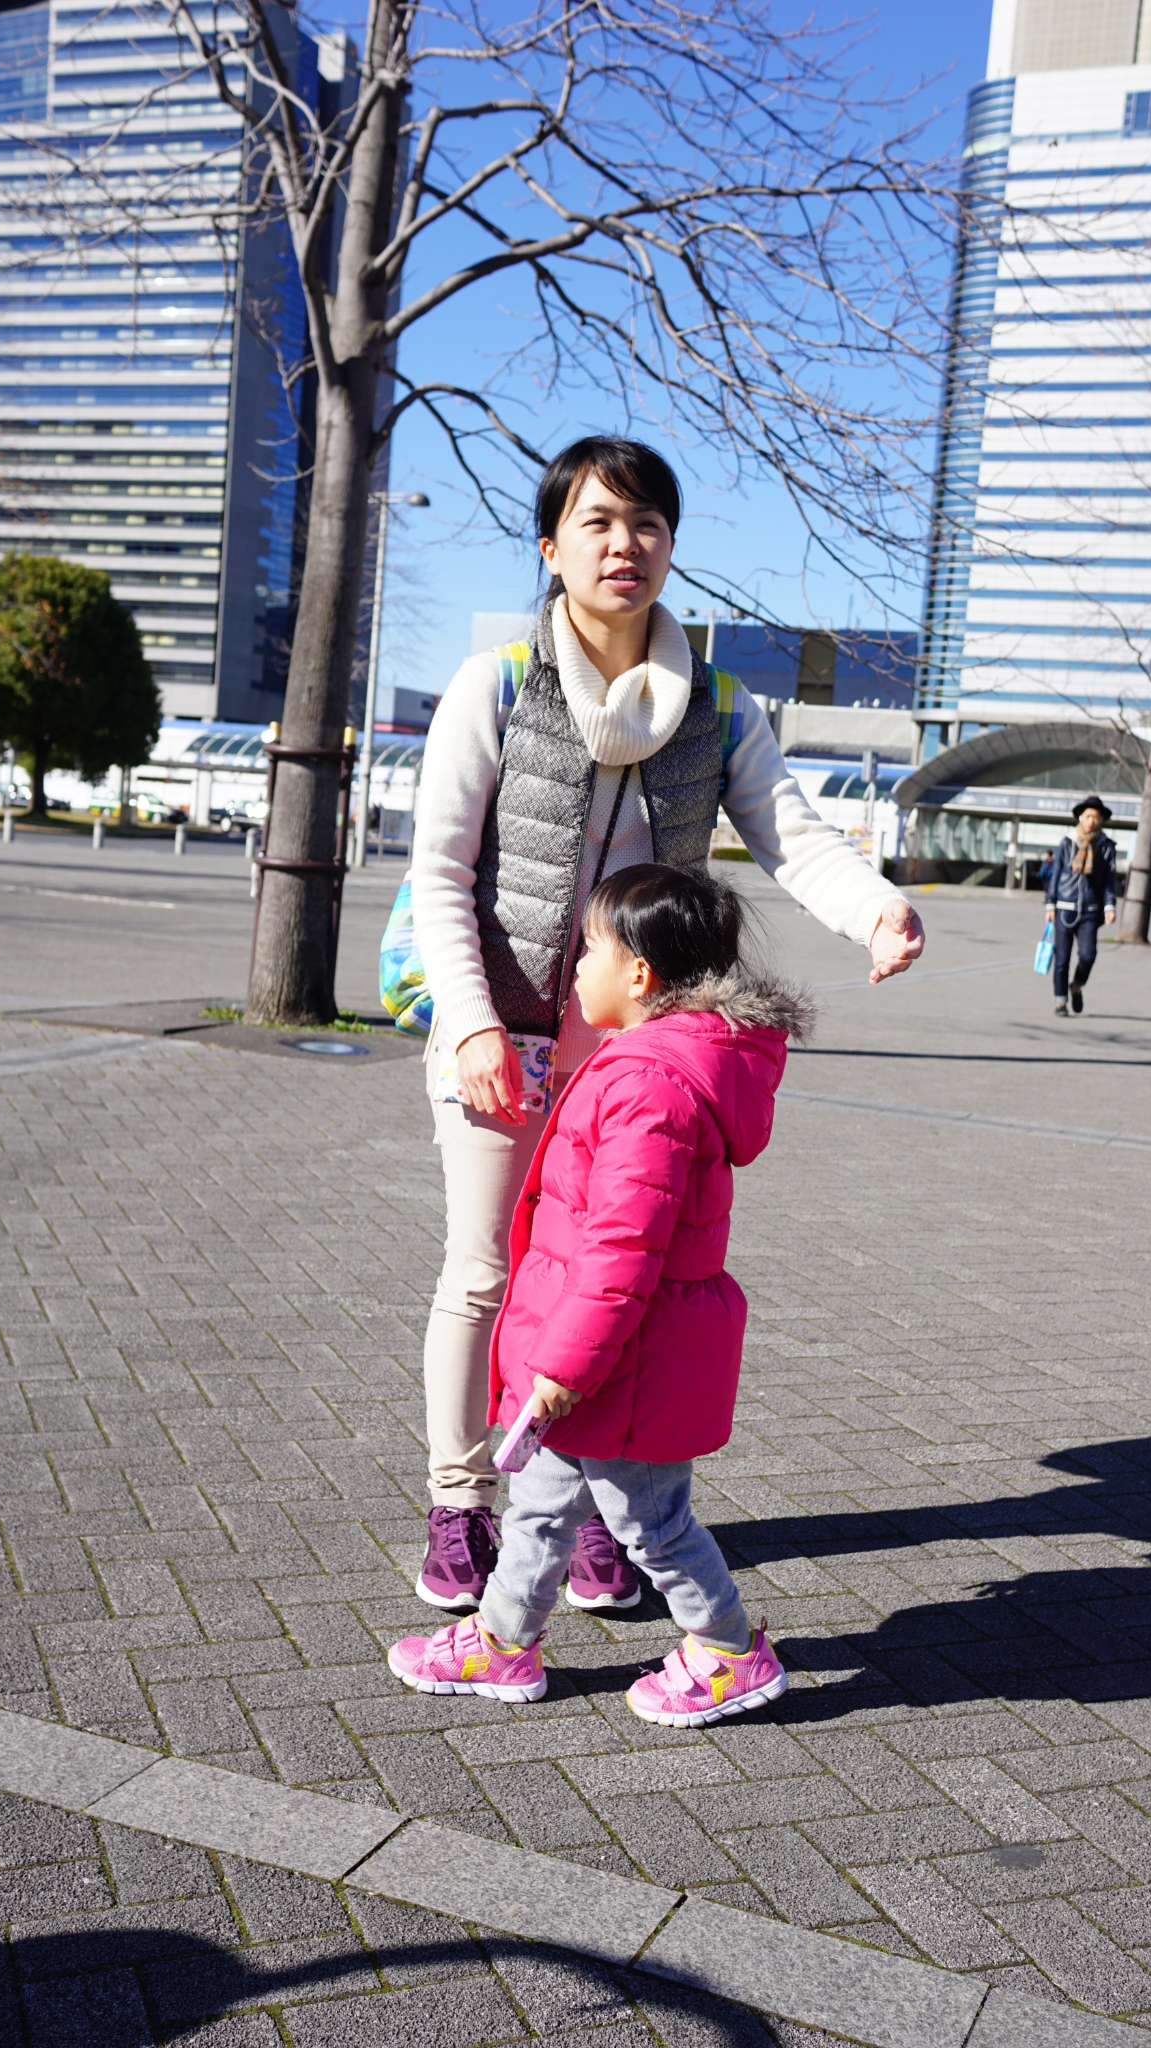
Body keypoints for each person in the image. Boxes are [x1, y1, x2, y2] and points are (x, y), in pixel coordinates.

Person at [409, 434, 924, 1613]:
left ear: (670, 546)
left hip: (637, 1051)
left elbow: (793, 834)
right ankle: (462, 1499)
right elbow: (438, 870)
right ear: (552, 547)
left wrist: (877, 910)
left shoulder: (718, 707)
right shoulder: (497, 685)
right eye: (596, 521)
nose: (623, 543)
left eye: (645, 522)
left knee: (616, 1273)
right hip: (501, 1027)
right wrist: (472, 1024)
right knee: (487, 1272)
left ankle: (594, 1505)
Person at [389, 864, 807, 1723]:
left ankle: (730, 1651)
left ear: (639, 975)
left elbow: (622, 1248)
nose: (574, 967)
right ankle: (503, 1641)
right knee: (540, 1509)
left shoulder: (649, 1083)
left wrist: (563, 1368)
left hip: (621, 1365)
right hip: (601, 1355)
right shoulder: (647, 1063)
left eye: (589, 951)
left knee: (651, 1523)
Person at [1044, 796, 1118, 1016]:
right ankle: (1060, 1002)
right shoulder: (1067, 843)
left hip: (1090, 910)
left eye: (1096, 817)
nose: (1091, 821)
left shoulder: (1106, 847)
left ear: (1101, 819)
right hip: (1064, 907)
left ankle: (1076, 985)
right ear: (1080, 818)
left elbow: (1109, 880)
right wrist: (1050, 904)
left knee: (1088, 955)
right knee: (1062, 959)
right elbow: (1055, 875)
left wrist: (1109, 906)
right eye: (1088, 816)